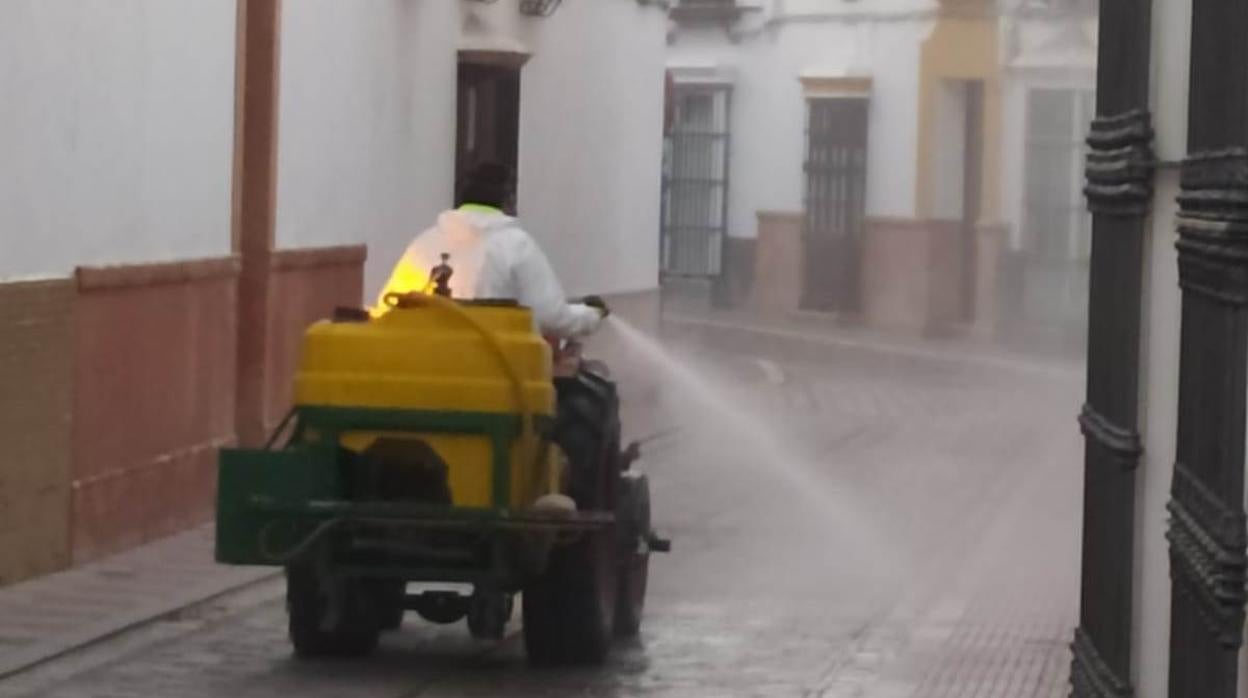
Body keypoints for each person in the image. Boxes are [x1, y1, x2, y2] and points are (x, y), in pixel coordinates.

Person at [374, 161, 608, 338]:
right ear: (509, 200)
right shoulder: (517, 246)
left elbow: (387, 309)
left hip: (424, 367)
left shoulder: (424, 243)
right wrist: (591, 315)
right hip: (498, 372)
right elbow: (551, 317)